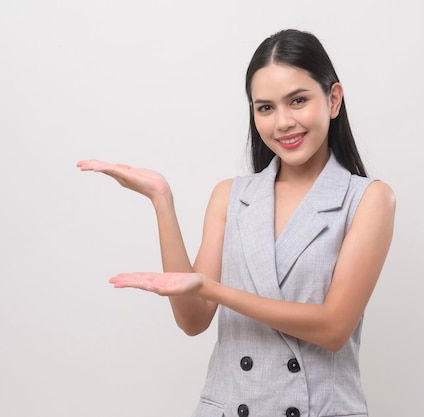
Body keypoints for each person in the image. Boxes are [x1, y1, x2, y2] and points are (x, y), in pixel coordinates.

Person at [77, 28, 395, 417]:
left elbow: (333, 328)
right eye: (265, 108)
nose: (282, 123)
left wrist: (215, 289)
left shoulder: (367, 198)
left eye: (298, 101)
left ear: (333, 99)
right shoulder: (231, 195)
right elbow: (193, 319)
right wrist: (162, 199)